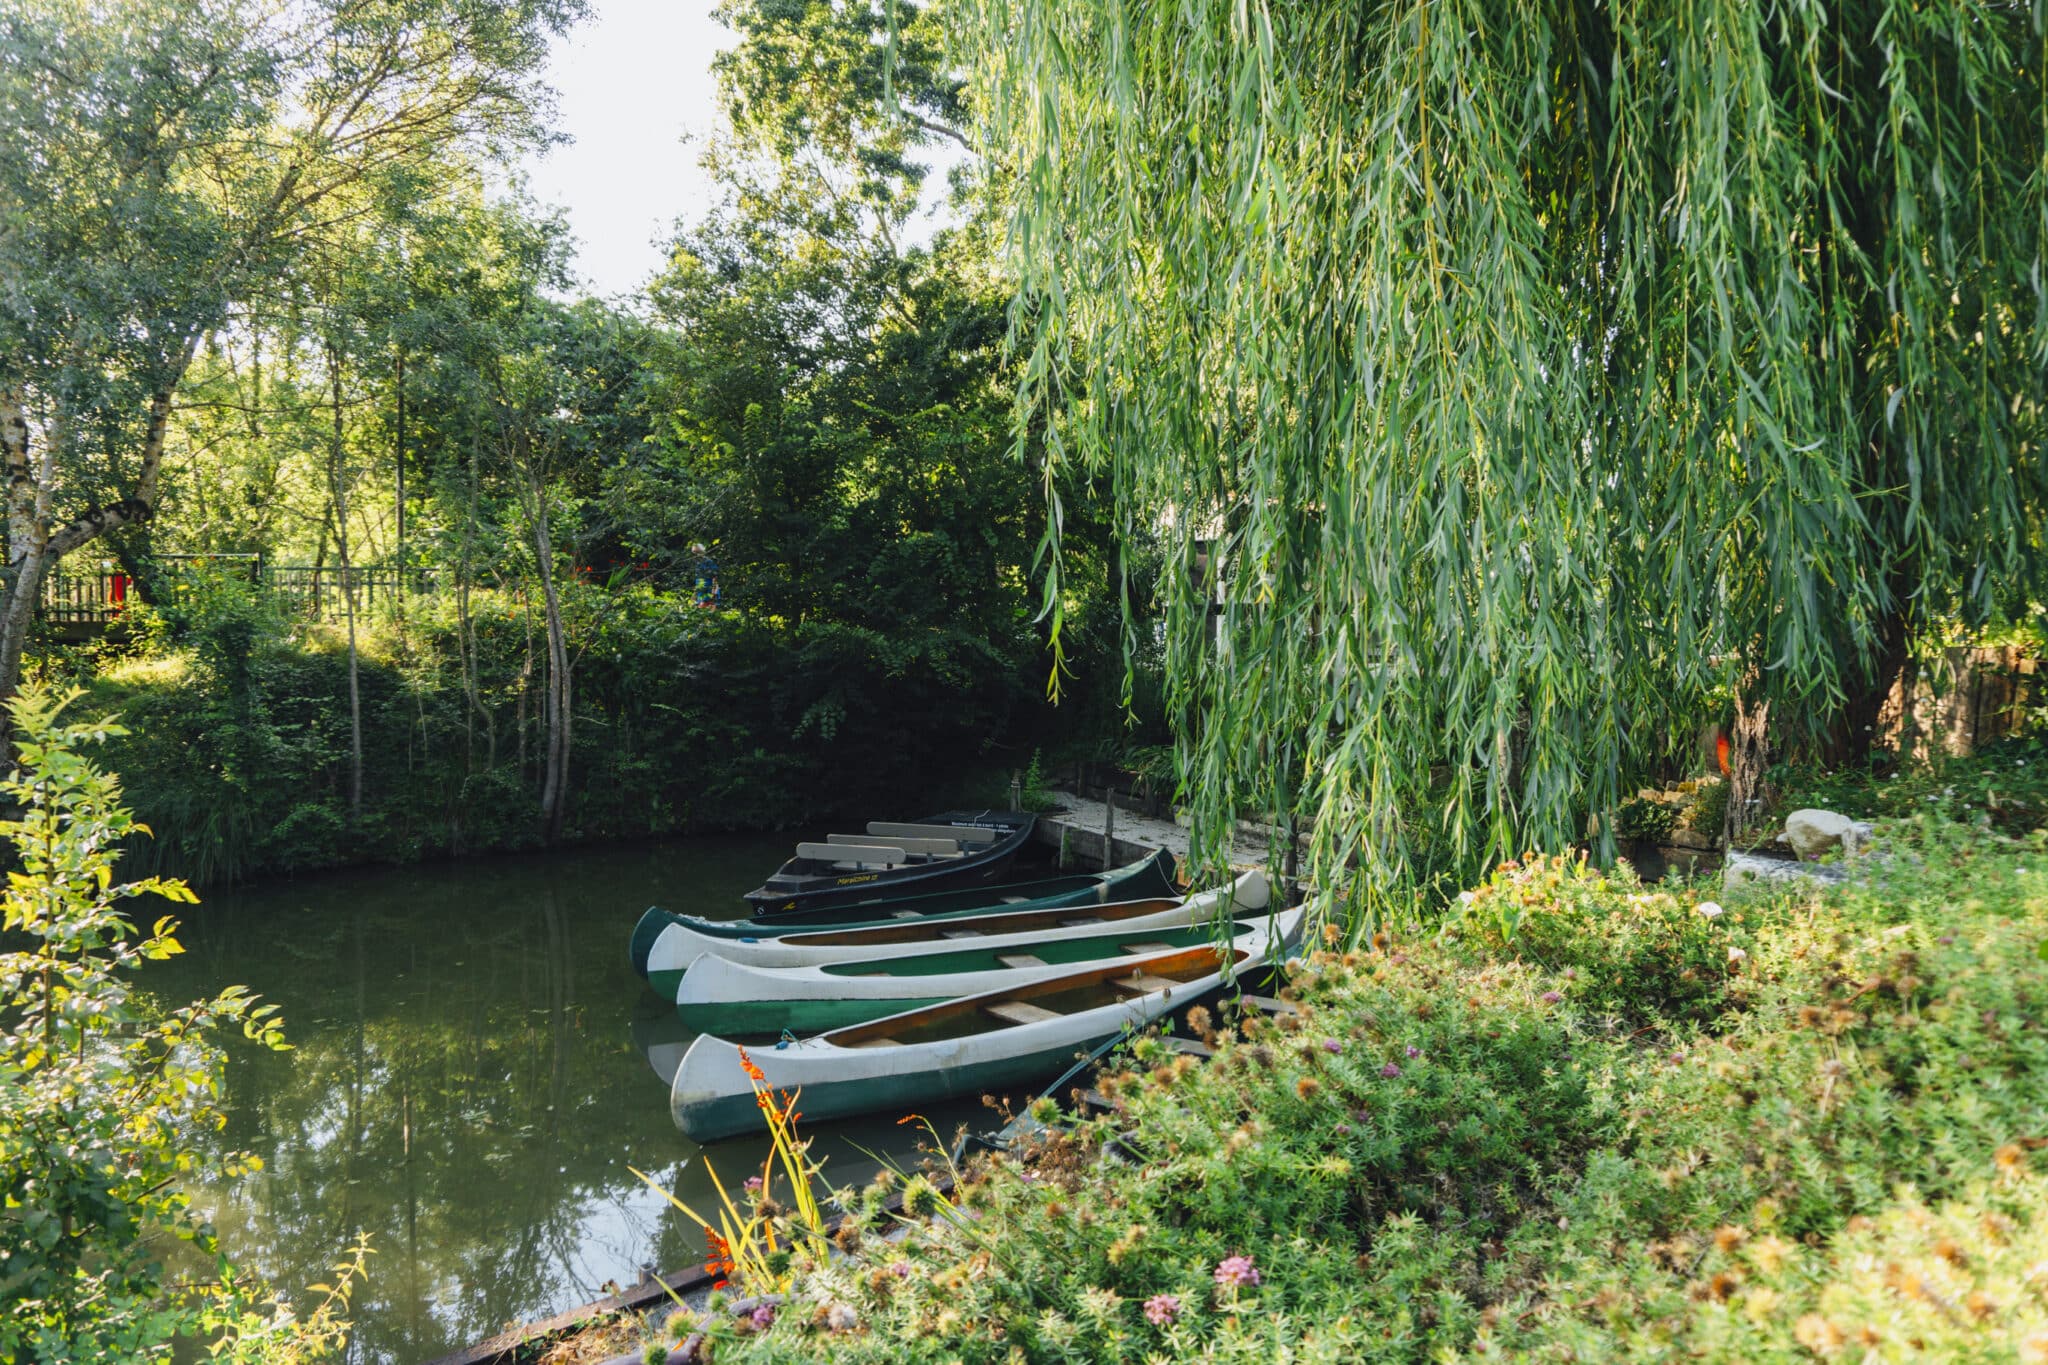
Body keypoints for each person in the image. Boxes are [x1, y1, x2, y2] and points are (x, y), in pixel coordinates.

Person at [690, 542, 720, 609]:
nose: (696, 554)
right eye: (694, 552)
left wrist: (713, 590)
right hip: (700, 588)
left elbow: (715, 576)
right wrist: (695, 593)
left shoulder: (708, 562)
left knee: (710, 607)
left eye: (697, 552)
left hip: (709, 587)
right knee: (699, 607)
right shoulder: (697, 563)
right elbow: (698, 580)